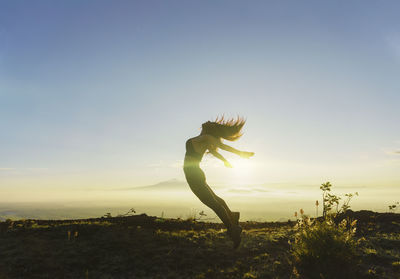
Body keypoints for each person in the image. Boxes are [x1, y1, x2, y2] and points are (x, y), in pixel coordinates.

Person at [183, 116, 255, 249]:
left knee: (213, 203)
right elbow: (214, 152)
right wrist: (224, 161)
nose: (208, 121)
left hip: (194, 175)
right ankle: (232, 216)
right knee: (215, 199)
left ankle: (233, 230)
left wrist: (241, 154)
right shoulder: (204, 140)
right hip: (195, 174)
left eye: (209, 123)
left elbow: (222, 146)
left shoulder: (205, 137)